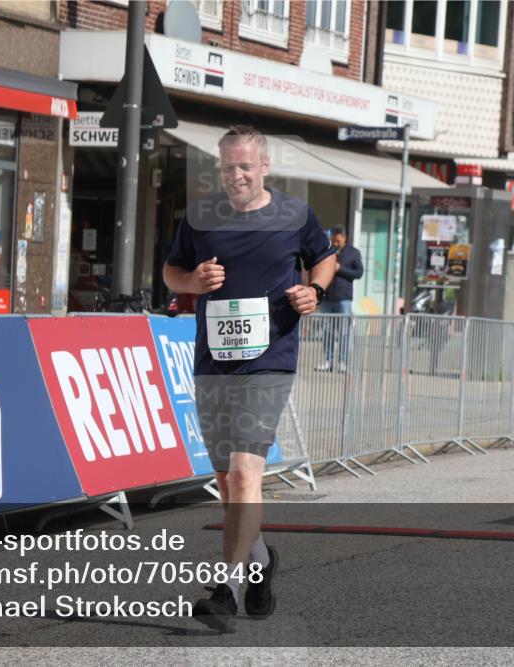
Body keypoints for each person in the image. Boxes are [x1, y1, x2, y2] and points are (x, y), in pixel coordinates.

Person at [163, 125, 337, 633]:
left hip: (270, 358)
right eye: (227, 168)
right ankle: (260, 563)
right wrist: (192, 282)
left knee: (244, 474)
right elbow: (171, 271)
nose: (235, 176)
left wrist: (315, 292)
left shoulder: (294, 215)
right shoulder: (200, 216)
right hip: (214, 362)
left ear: (264, 167)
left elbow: (323, 258)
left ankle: (227, 588)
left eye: (244, 167)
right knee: (226, 483)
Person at [316, 227, 362, 373]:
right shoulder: (328, 250)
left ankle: (343, 362)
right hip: (327, 298)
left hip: (344, 298)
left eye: (338, 240)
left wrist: (340, 268)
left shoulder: (353, 253)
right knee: (327, 332)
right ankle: (328, 361)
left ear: (344, 238)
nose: (335, 243)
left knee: (344, 332)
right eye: (333, 240)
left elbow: (359, 273)